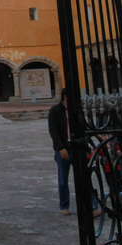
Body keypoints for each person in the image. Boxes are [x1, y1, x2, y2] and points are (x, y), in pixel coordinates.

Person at [48, 89, 100, 217]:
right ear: (65, 97)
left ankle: (91, 206)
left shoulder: (77, 111)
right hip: (63, 149)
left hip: (78, 149)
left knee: (85, 177)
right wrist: (60, 148)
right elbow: (53, 131)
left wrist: (87, 145)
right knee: (63, 180)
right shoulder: (55, 111)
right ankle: (64, 206)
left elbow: (83, 128)